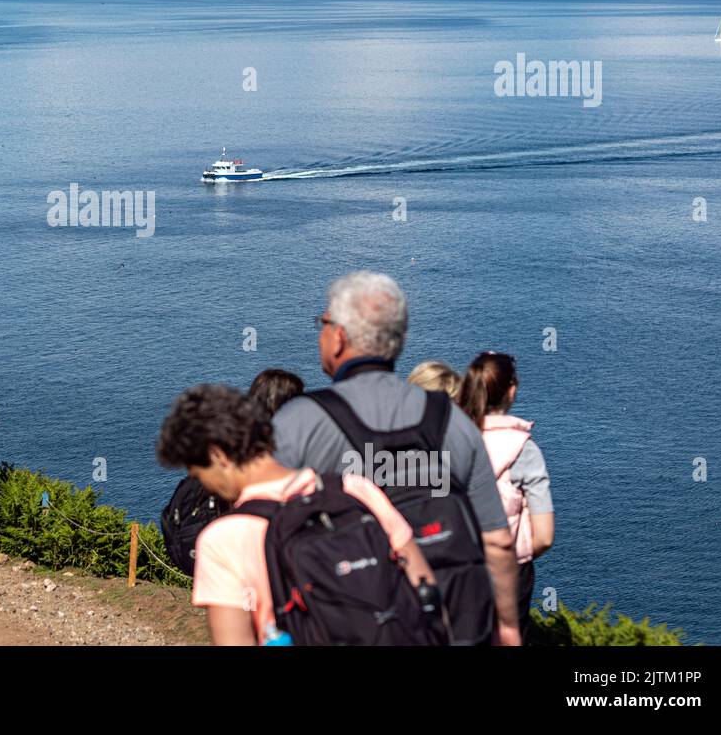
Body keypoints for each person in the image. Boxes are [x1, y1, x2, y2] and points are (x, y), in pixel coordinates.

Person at [270, 270, 522, 646]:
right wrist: (507, 628)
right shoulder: (451, 419)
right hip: (454, 626)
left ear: (338, 336)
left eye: (322, 323)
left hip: (350, 627)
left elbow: (263, 538)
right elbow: (499, 541)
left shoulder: (297, 423)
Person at [157, 384, 437, 645]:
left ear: (218, 456)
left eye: (199, 473)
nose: (205, 485)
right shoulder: (355, 489)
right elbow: (424, 585)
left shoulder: (223, 538)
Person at [457, 351, 554, 642]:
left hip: (456, 566)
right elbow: (544, 536)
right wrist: (519, 554)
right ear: (512, 390)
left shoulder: (449, 440)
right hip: (510, 572)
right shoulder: (524, 450)